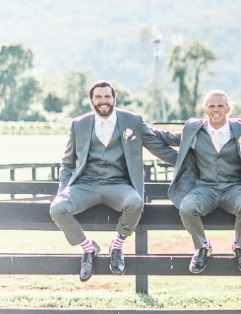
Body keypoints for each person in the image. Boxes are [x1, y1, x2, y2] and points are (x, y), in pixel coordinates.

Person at [50, 80, 178, 281]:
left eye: (107, 96)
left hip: (118, 185)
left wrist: (188, 162)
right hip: (85, 185)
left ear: (114, 99)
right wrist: (63, 191)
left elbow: (157, 145)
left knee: (135, 202)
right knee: (57, 208)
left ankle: (117, 246)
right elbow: (67, 162)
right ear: (91, 100)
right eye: (98, 97)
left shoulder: (132, 121)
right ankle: (89, 248)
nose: (103, 101)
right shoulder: (79, 124)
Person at [162, 90, 241, 274]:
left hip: (235, 187)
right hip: (205, 187)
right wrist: (142, 132)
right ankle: (203, 246)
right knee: (187, 208)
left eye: (220, 106)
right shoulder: (193, 130)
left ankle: (239, 246)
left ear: (228, 108)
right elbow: (168, 138)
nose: (216, 110)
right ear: (205, 110)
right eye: (211, 106)